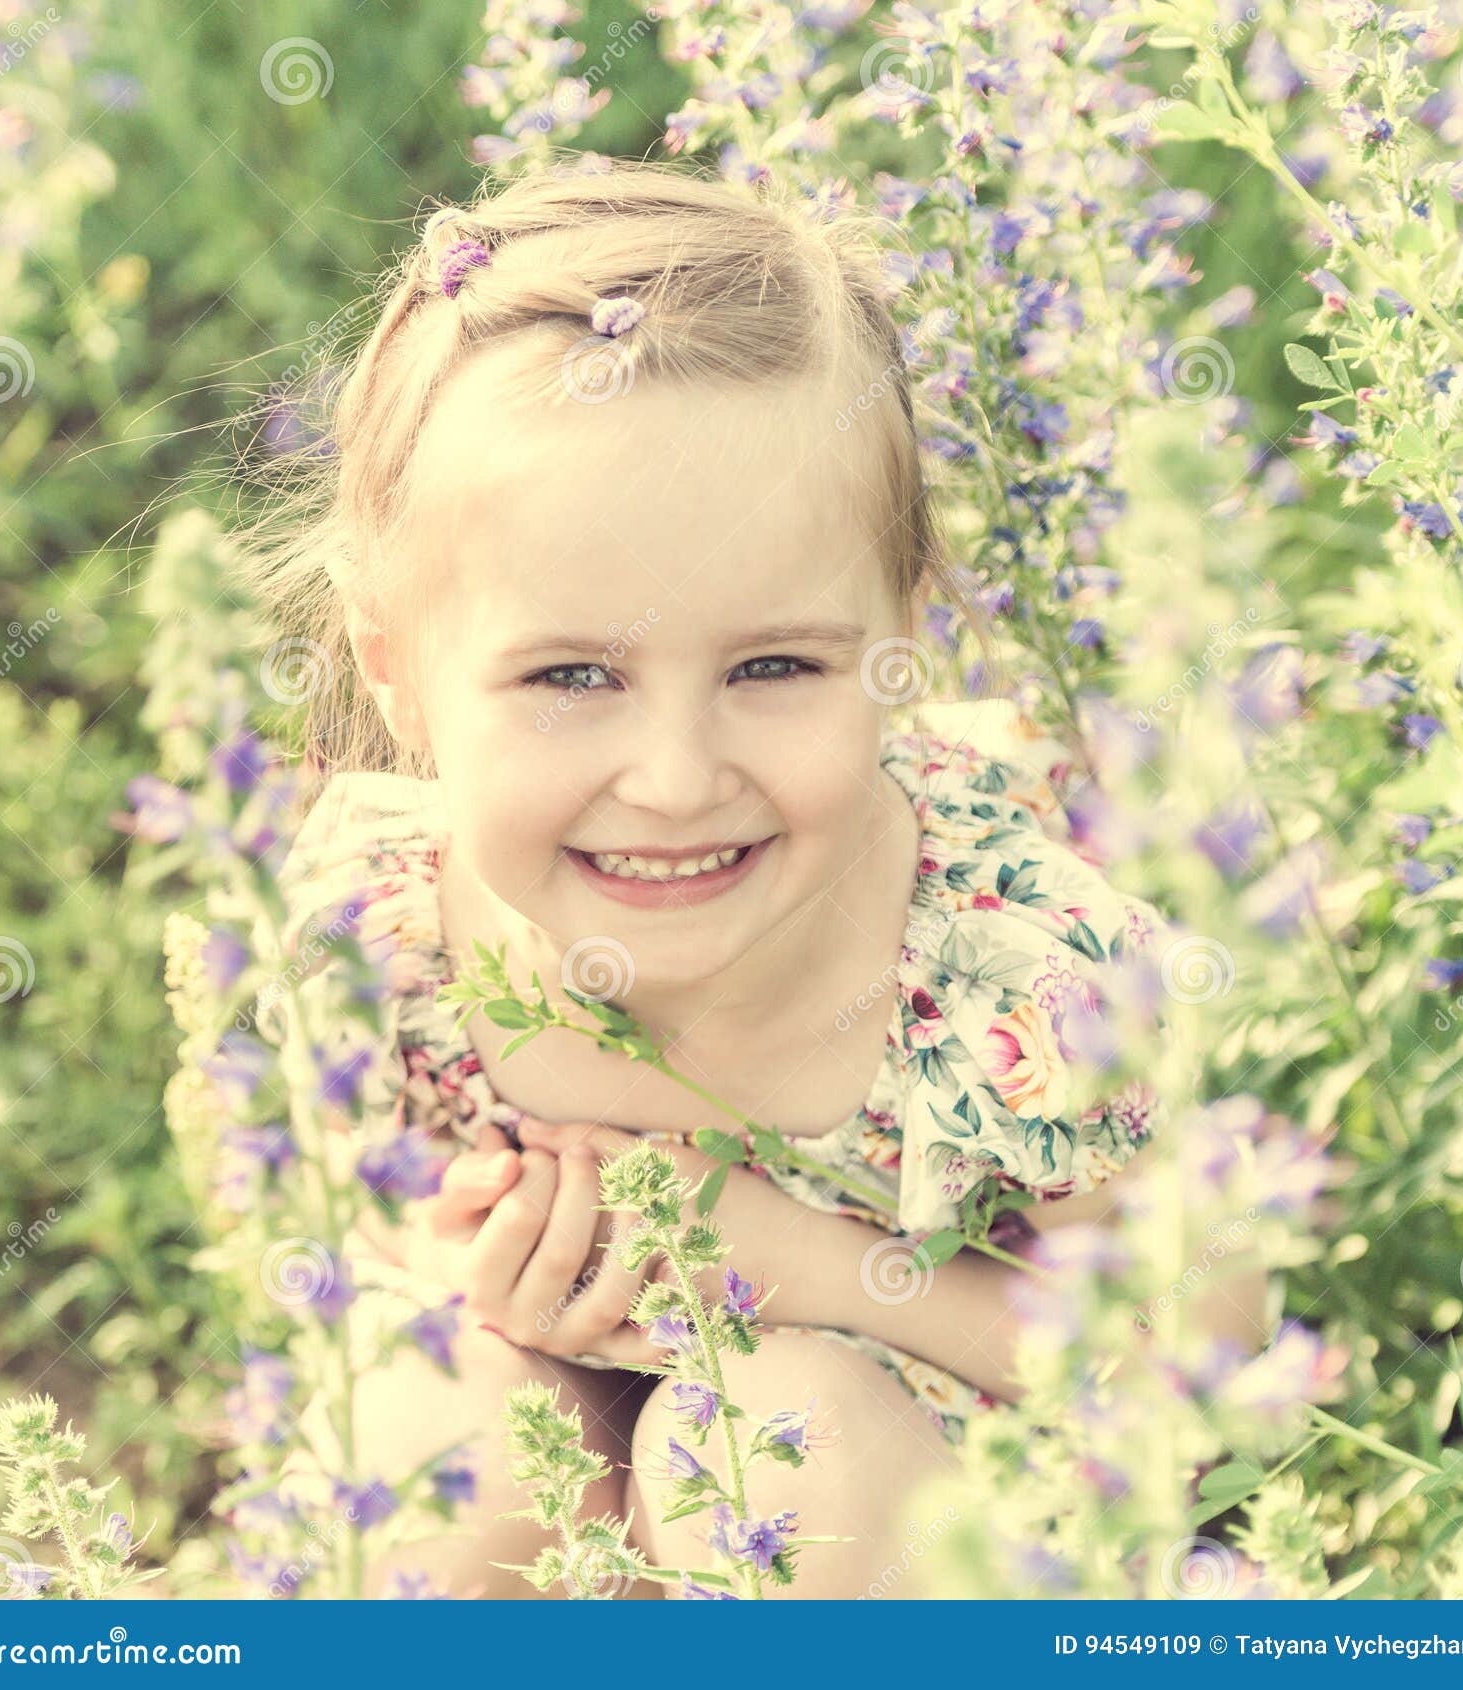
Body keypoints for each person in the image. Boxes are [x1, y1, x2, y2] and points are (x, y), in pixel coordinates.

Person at [242, 156, 1179, 1599]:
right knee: (421, 1437)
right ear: (396, 670)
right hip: (576, 1432)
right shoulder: (383, 927)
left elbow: (1201, 1363)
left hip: (933, 1476)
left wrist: (807, 1263)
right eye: (570, 673)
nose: (674, 777)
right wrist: (461, 1267)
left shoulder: (1018, 976)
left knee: (778, 1451)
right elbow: (333, 1225)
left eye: (771, 666)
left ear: (899, 639)